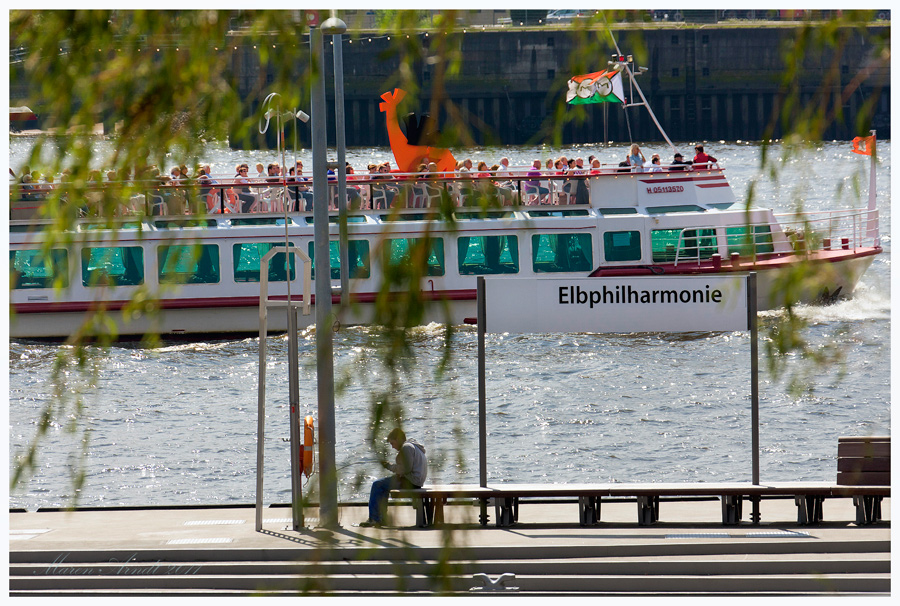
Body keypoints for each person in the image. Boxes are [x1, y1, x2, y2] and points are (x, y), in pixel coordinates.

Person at [359, 428, 427, 528]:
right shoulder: (414, 446)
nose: (392, 447)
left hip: (410, 481)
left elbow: (406, 469)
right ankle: (381, 518)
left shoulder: (406, 447)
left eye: (392, 443)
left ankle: (374, 519)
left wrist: (389, 466)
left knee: (377, 485)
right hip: (416, 481)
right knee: (383, 486)